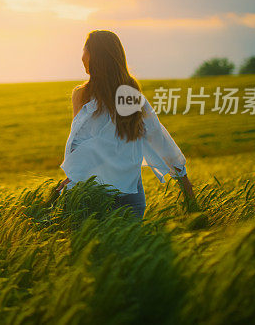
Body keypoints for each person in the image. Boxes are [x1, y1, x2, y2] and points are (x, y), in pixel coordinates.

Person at [57, 30, 195, 219]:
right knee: (132, 247)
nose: (82, 56)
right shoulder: (129, 92)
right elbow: (157, 136)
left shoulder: (83, 95)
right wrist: (184, 182)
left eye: (84, 49)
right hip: (131, 192)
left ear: (95, 55)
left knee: (95, 248)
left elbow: (77, 143)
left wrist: (72, 177)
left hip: (93, 193)